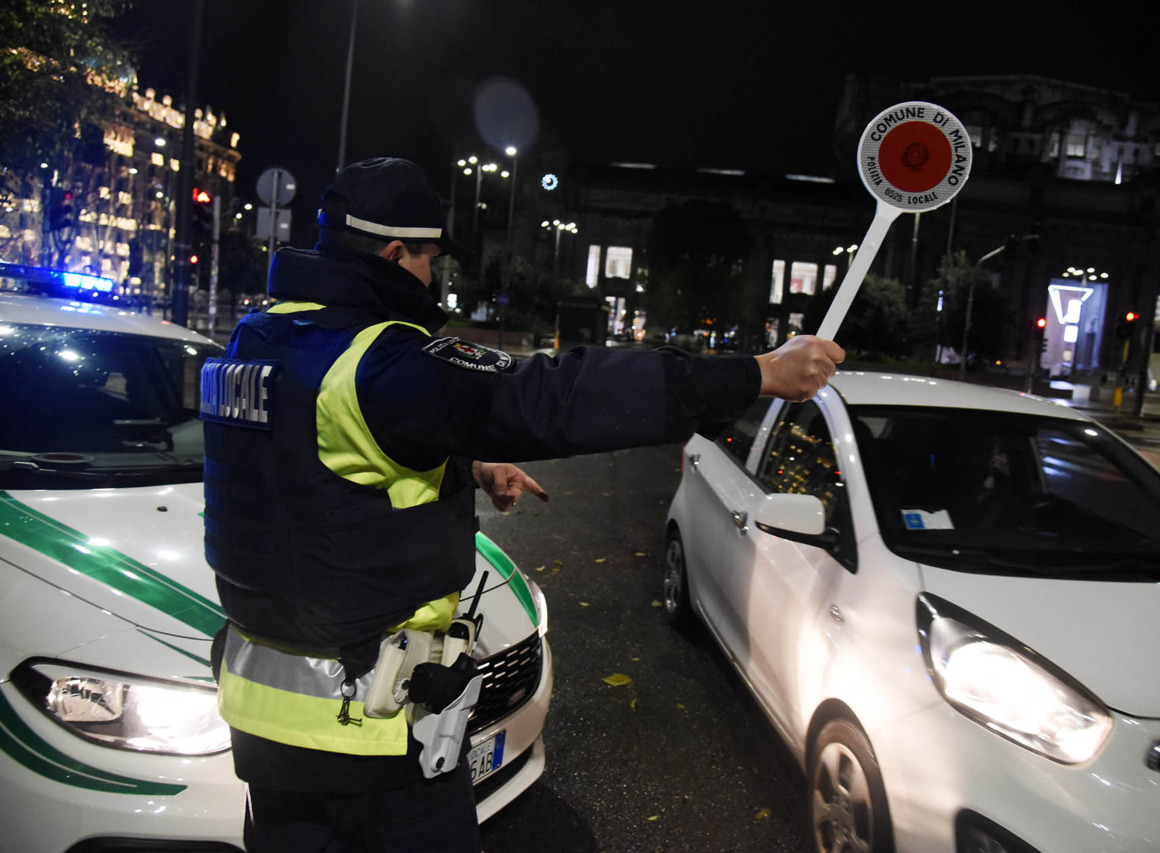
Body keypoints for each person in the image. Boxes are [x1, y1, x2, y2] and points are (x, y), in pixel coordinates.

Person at [201, 156, 844, 852]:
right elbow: (559, 396)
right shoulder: (382, 362)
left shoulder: (260, 339)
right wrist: (756, 373)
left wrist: (463, 459)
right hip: (372, 734)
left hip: (266, 729)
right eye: (427, 257)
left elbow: (316, 461)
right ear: (395, 253)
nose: (431, 274)